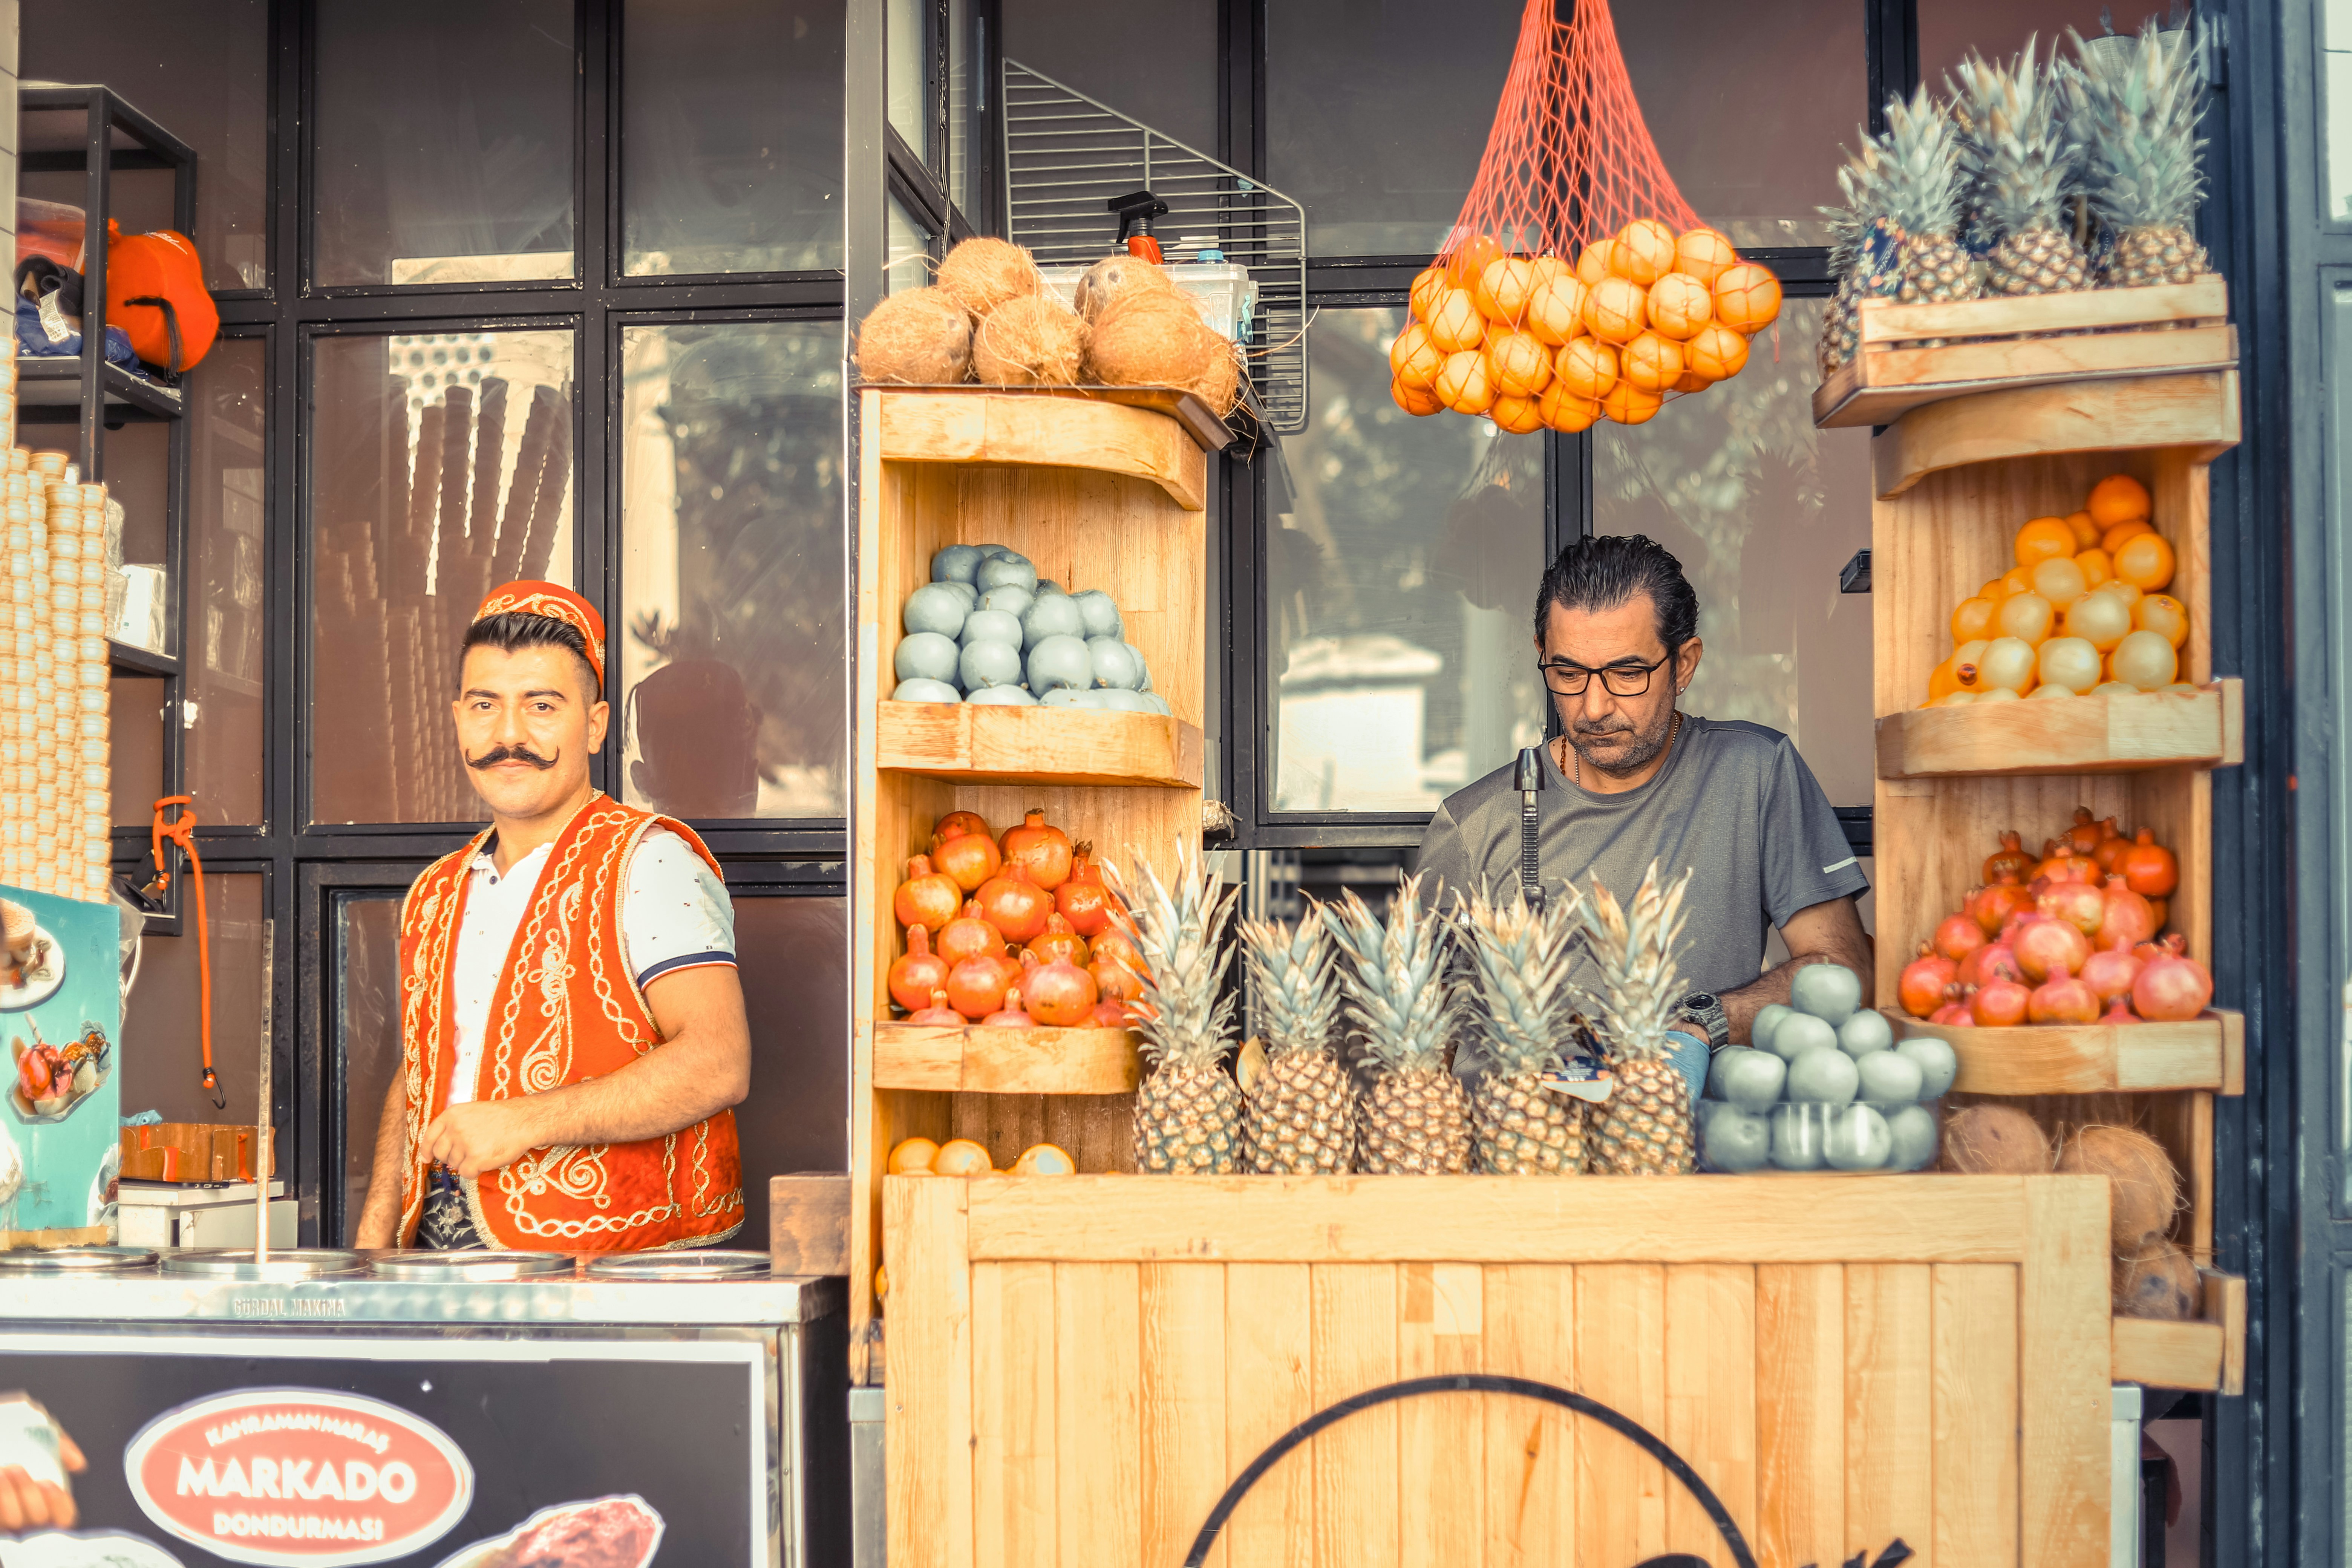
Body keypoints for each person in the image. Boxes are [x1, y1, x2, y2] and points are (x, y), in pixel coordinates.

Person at [352, 581, 749, 1253]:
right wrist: (376, 1230)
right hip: (436, 1253)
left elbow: (718, 1061)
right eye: (485, 706)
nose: (509, 736)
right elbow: (422, 1068)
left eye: (541, 706)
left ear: (594, 725)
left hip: (612, 1265)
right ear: (457, 720)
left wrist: (522, 1123)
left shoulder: (648, 862)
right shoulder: (436, 890)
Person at [1415, 534, 1871, 1089]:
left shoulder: (1756, 774)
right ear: (1542, 655)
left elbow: (1843, 968)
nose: (1594, 707)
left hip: (1688, 1149)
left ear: (1685, 664)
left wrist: (1702, 1026)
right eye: (1568, 673)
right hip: (1519, 1160)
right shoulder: (1475, 824)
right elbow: (1423, 1044)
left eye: (1628, 673)